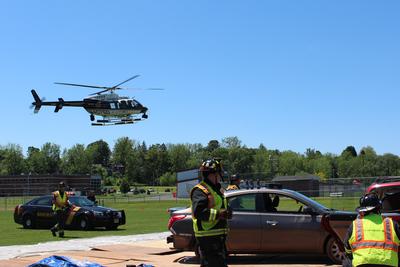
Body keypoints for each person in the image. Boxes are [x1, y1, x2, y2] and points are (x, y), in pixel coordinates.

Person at [191, 158, 231, 267]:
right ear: (213, 174)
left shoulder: (216, 189)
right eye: (219, 173)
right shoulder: (200, 190)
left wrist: (228, 210)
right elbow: (198, 212)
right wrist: (219, 214)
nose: (220, 176)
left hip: (217, 234)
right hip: (207, 235)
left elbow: (219, 204)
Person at [343, 193, 400, 267]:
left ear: (362, 211)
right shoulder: (392, 224)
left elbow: (347, 249)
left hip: (362, 264)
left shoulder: (355, 225)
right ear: (379, 208)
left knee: (347, 259)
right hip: (389, 264)